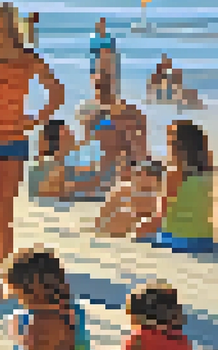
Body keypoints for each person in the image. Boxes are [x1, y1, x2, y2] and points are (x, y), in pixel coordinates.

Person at [0, 2, 64, 288]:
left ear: (11, 25)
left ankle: (4, 276)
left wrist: (35, 120)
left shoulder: (28, 58)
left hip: (14, 138)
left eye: (1, 22)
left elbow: (57, 93)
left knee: (4, 212)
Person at [75, 46, 146, 188]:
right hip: (100, 170)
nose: (101, 81)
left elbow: (140, 151)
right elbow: (87, 147)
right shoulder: (87, 112)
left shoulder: (132, 114)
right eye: (99, 74)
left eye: (106, 76)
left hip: (121, 171)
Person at [153, 120, 214, 254]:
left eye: (169, 143)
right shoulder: (211, 176)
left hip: (177, 240)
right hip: (207, 241)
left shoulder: (173, 177)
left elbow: (161, 216)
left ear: (176, 147)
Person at [27, 120, 103, 201]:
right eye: (67, 133)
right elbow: (48, 190)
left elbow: (95, 180)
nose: (72, 135)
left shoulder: (64, 164)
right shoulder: (45, 164)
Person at [95, 160, 163, 239]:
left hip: (132, 233)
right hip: (113, 231)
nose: (140, 177)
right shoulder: (122, 191)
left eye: (143, 174)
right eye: (138, 174)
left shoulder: (155, 200)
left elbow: (153, 223)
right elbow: (102, 215)